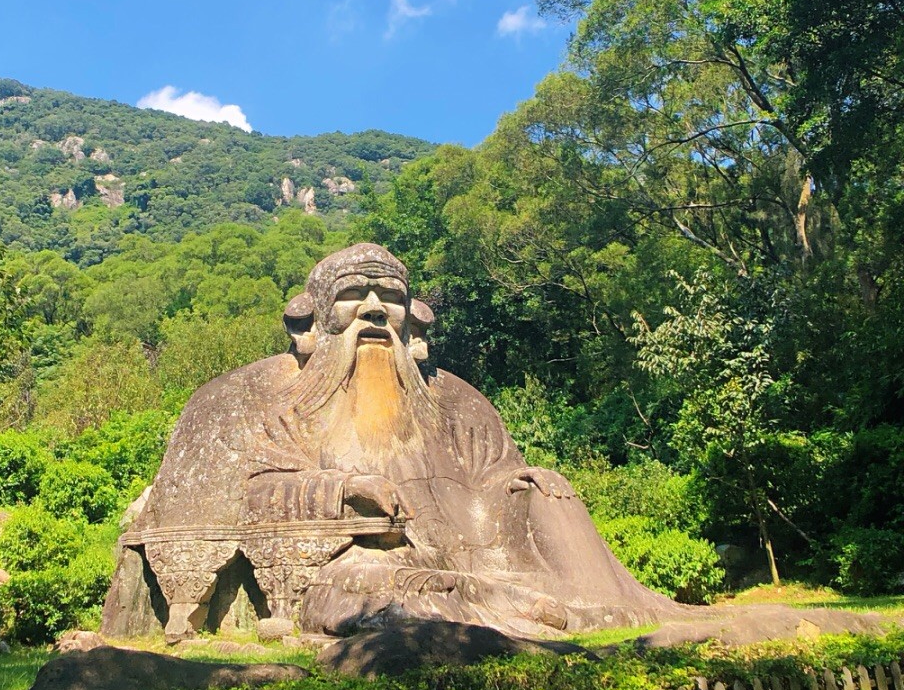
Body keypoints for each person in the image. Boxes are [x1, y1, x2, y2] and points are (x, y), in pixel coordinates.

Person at [103, 243, 682, 641]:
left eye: (392, 298)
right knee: (382, 588)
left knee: (550, 495)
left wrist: (522, 482)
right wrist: (345, 489)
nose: (377, 309)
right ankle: (501, 609)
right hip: (344, 557)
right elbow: (238, 494)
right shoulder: (255, 395)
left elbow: (495, 475)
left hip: (478, 552)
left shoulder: (453, 398)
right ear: (315, 318)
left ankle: (594, 606)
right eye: (356, 294)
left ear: (412, 319)